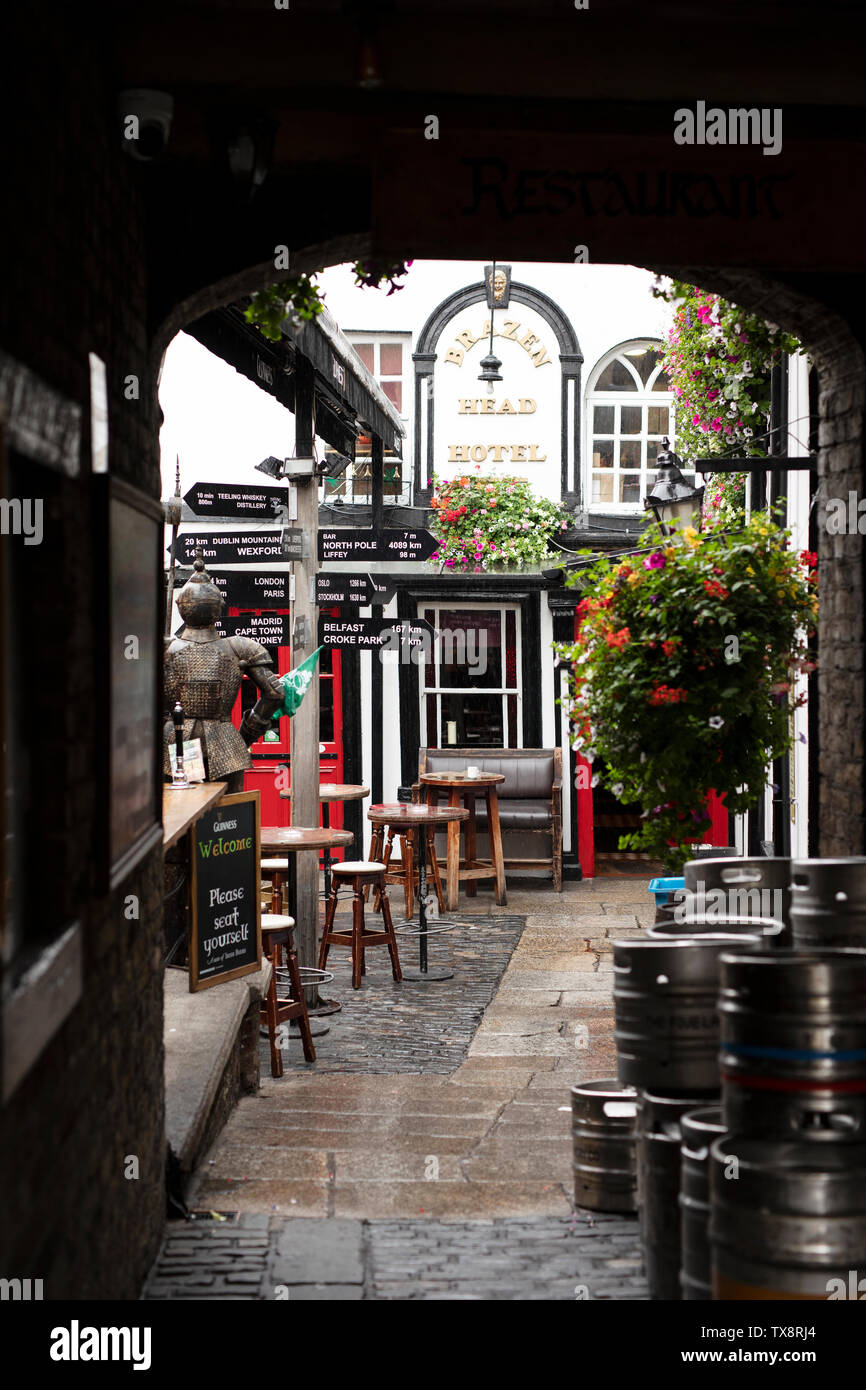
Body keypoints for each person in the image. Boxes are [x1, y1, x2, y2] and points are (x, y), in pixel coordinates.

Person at [163, 553, 285, 791]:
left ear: (181, 607)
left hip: (174, 741)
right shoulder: (238, 647)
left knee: (178, 814)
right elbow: (275, 693)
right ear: (219, 607)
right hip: (225, 741)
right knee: (225, 818)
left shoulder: (166, 648)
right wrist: (245, 735)